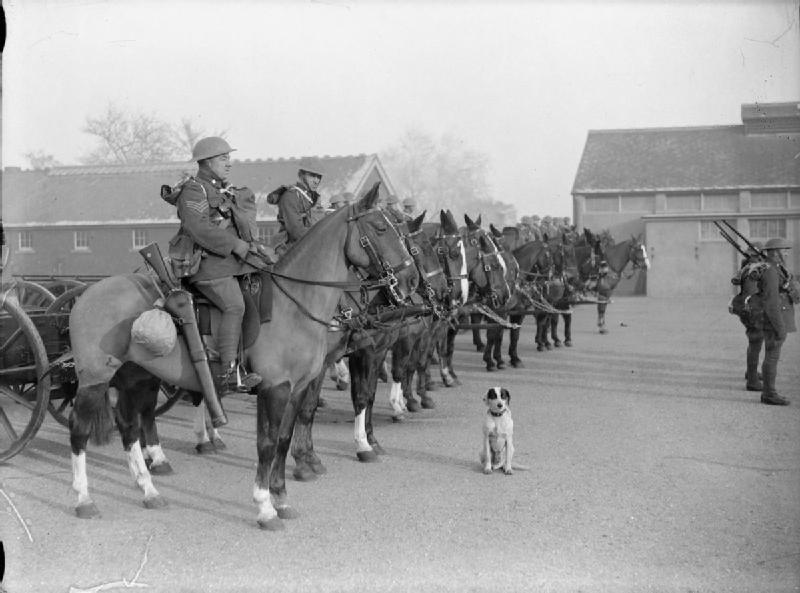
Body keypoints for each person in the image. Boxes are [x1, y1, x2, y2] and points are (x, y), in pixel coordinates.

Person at [169, 136, 267, 395]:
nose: (229, 163)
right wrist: (235, 245)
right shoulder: (194, 190)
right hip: (205, 265)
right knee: (235, 305)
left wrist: (253, 248)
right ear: (207, 162)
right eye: (224, 158)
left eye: (228, 158)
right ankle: (227, 371)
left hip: (228, 263)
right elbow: (198, 228)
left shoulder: (223, 190)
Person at [757, 238, 798, 405]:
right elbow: (771, 302)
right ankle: (769, 394)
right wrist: (780, 327)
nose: (787, 253)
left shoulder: (777, 268)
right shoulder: (770, 271)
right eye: (784, 250)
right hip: (774, 322)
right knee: (772, 357)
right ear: (775, 252)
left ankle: (768, 392)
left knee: (772, 356)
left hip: (777, 320)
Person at [730, 242, 766, 391]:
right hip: (752, 310)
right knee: (756, 342)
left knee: (754, 343)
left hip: (747, 308)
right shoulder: (753, 268)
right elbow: (751, 293)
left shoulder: (747, 266)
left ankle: (751, 372)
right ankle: (752, 380)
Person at [275, 158, 327, 253]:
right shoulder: (290, 196)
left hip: (310, 243)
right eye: (312, 176)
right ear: (301, 175)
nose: (317, 181)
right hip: (289, 247)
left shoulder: (314, 197)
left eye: (319, 176)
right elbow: (296, 232)